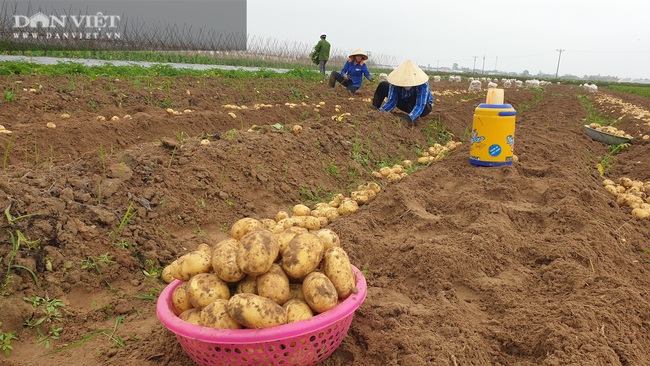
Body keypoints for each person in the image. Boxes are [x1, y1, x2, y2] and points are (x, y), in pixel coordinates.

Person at [372, 60, 434, 125]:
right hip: (404, 102)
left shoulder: (423, 84)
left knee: (414, 99)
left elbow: (420, 105)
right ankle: (375, 107)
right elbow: (391, 101)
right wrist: (380, 113)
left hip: (422, 107)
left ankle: (413, 116)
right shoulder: (395, 82)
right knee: (383, 85)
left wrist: (409, 118)